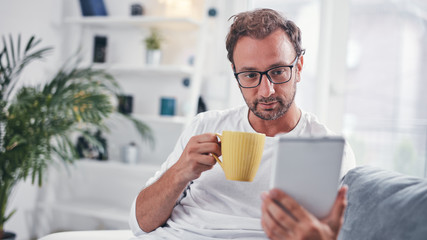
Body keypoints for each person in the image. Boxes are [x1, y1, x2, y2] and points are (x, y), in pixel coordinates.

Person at [129, 8, 355, 240]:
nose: (266, 91)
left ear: (298, 68)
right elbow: (140, 224)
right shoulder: (205, 125)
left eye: (277, 72)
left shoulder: (328, 149)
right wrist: (180, 172)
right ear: (235, 73)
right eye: (249, 75)